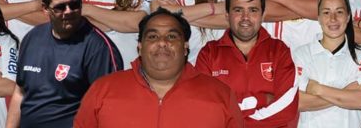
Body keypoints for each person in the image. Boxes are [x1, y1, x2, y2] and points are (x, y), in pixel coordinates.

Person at [74, 8, 244, 127]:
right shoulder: (102, 90)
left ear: (185, 47)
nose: (162, 42)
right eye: (153, 36)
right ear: (140, 46)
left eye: (171, 36)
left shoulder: (220, 95)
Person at [6, 0, 122, 128]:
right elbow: (20, 92)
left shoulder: (99, 48)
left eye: (74, 5)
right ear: (45, 9)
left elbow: (108, 108)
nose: (68, 12)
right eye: (60, 7)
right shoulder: (32, 38)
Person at [196, 0, 298, 128]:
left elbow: (286, 108)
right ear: (227, 15)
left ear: (262, 15)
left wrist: (233, 119)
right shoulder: (209, 53)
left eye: (253, 10)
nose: (245, 17)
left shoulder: (279, 51)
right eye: (238, 10)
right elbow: (204, 107)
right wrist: (261, 100)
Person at [293, 0, 361, 127]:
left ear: (348, 17)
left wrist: (317, 89)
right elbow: (298, 103)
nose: (333, 19)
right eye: (326, 12)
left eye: (339, 12)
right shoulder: (300, 54)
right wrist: (347, 92)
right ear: (318, 18)